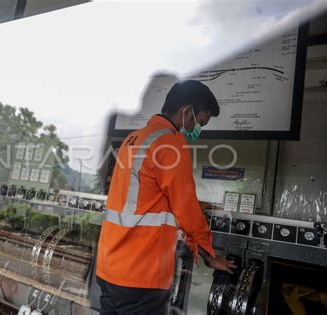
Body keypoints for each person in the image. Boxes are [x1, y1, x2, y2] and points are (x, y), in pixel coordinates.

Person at [96, 80, 237, 314]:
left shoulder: (133, 140)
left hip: (110, 267)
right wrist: (210, 254)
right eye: (199, 122)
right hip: (140, 275)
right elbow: (186, 210)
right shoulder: (170, 144)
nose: (197, 129)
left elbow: (144, 198)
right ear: (186, 112)